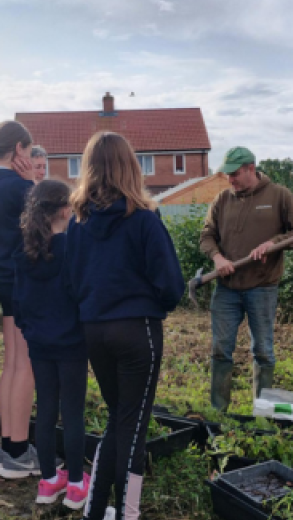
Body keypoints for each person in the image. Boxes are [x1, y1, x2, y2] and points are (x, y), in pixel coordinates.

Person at [64, 132, 184, 520]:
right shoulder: (144, 220)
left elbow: (70, 281)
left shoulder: (76, 224)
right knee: (133, 426)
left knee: (119, 418)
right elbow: (170, 284)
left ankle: (96, 511)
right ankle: (128, 514)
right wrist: (155, 302)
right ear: (129, 166)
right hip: (137, 331)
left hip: (94, 330)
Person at [199, 147, 293, 412]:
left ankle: (264, 412)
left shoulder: (279, 196)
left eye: (235, 174)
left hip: (262, 288)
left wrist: (274, 243)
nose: (231, 180)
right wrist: (217, 258)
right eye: (227, 175)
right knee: (220, 350)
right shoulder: (222, 200)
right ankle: (218, 411)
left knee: (263, 352)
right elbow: (206, 236)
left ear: (251, 168)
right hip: (226, 290)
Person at [12, 180, 90, 506]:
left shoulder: (24, 253)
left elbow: (18, 305)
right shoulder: (74, 247)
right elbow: (82, 294)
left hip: (39, 343)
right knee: (72, 412)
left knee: (45, 409)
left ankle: (47, 481)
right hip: (72, 342)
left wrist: (31, 328)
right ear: (64, 209)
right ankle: (75, 483)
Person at [0, 120, 40, 478]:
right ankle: (16, 451)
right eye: (28, 151)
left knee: (12, 363)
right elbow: (45, 227)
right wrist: (32, 185)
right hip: (24, 282)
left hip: (3, 279)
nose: (30, 158)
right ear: (18, 150)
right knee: (25, 366)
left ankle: (12, 446)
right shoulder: (18, 187)